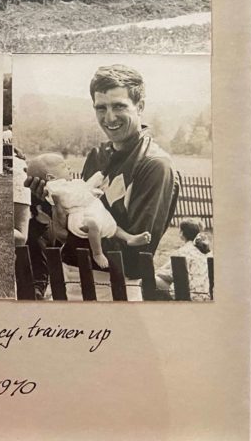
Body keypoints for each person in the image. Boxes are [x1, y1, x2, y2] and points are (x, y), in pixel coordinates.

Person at [31, 64, 177, 300]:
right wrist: (51, 205)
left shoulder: (155, 165)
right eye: (101, 108)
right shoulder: (97, 155)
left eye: (119, 106)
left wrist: (82, 233)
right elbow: (66, 231)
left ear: (140, 106)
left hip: (113, 288)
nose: (109, 118)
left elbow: (136, 258)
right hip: (67, 276)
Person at [31, 153, 151, 270]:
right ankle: (97, 253)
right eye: (63, 166)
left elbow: (84, 188)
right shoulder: (55, 187)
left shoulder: (68, 184)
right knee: (93, 225)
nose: (69, 167)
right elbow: (74, 197)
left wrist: (94, 183)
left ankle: (129, 238)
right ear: (51, 177)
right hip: (77, 216)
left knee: (111, 224)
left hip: (88, 209)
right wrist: (91, 193)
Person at [155, 219, 212, 301]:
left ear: (181, 233)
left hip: (188, 295)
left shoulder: (182, 251)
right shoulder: (204, 250)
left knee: (152, 278)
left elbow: (171, 275)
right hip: (205, 295)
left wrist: (157, 272)